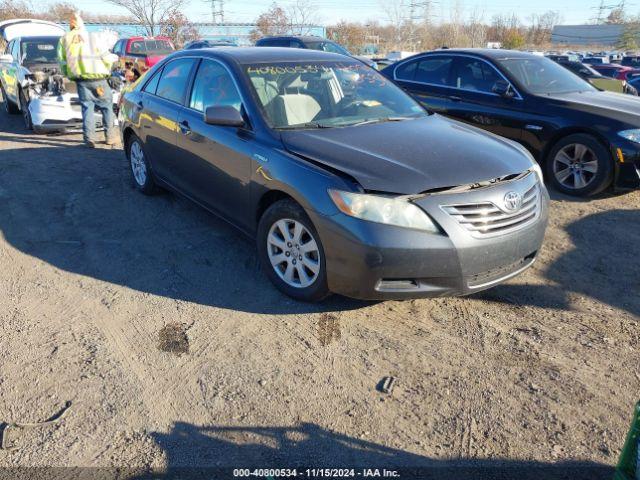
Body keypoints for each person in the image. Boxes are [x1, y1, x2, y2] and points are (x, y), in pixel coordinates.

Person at [57, 13, 118, 147]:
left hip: (81, 80)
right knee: (106, 107)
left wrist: (69, 75)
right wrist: (111, 68)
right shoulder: (92, 36)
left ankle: (89, 138)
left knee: (87, 108)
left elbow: (62, 62)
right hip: (99, 79)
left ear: (70, 25)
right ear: (82, 23)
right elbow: (105, 56)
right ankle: (110, 137)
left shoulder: (64, 39)